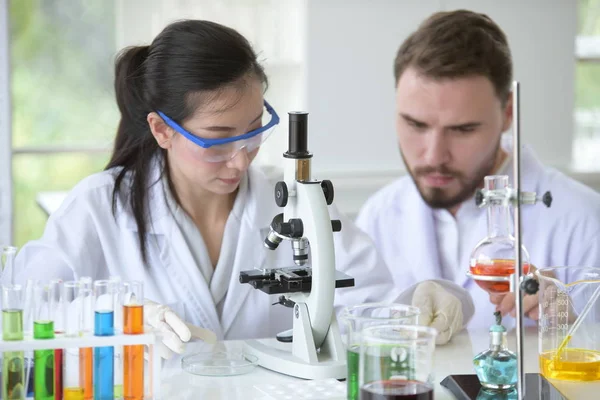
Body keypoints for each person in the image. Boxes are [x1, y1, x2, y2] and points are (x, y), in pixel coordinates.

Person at [6, 20, 473, 358]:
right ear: (161, 130)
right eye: (217, 139)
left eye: (253, 130)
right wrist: (115, 317)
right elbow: (21, 311)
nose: (241, 158)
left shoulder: (291, 201)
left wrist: (419, 300)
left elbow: (366, 304)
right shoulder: (99, 207)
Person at [356, 9, 600, 330]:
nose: (434, 155)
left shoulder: (584, 222)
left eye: (463, 129)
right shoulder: (379, 216)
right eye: (415, 124)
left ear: (508, 113)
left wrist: (573, 326)